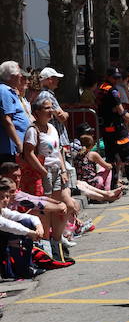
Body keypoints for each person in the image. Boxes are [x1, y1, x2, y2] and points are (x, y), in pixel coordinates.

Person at [22, 96, 80, 250]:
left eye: (51, 108)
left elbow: (58, 151)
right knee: (46, 210)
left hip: (57, 171)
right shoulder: (33, 131)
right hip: (43, 172)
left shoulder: (52, 128)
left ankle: (56, 240)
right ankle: (46, 243)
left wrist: (63, 170)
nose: (51, 111)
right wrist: (42, 171)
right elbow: (28, 153)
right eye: (46, 108)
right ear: (36, 112)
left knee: (68, 205)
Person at [97, 68, 129, 195]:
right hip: (117, 128)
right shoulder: (112, 90)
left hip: (106, 128)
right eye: (114, 78)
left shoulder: (101, 88)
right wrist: (127, 117)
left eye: (118, 77)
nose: (116, 80)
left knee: (112, 157)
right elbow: (122, 111)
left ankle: (114, 185)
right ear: (108, 77)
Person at [0, 61, 28, 165]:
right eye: (19, 74)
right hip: (10, 150)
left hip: (14, 149)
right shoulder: (4, 91)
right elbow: (7, 120)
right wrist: (19, 143)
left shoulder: (9, 91)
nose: (21, 76)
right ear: (12, 77)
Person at [36, 68, 70, 150]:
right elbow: (62, 117)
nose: (58, 81)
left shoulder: (44, 94)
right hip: (56, 140)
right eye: (56, 78)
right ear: (49, 80)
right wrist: (66, 114)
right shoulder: (47, 95)